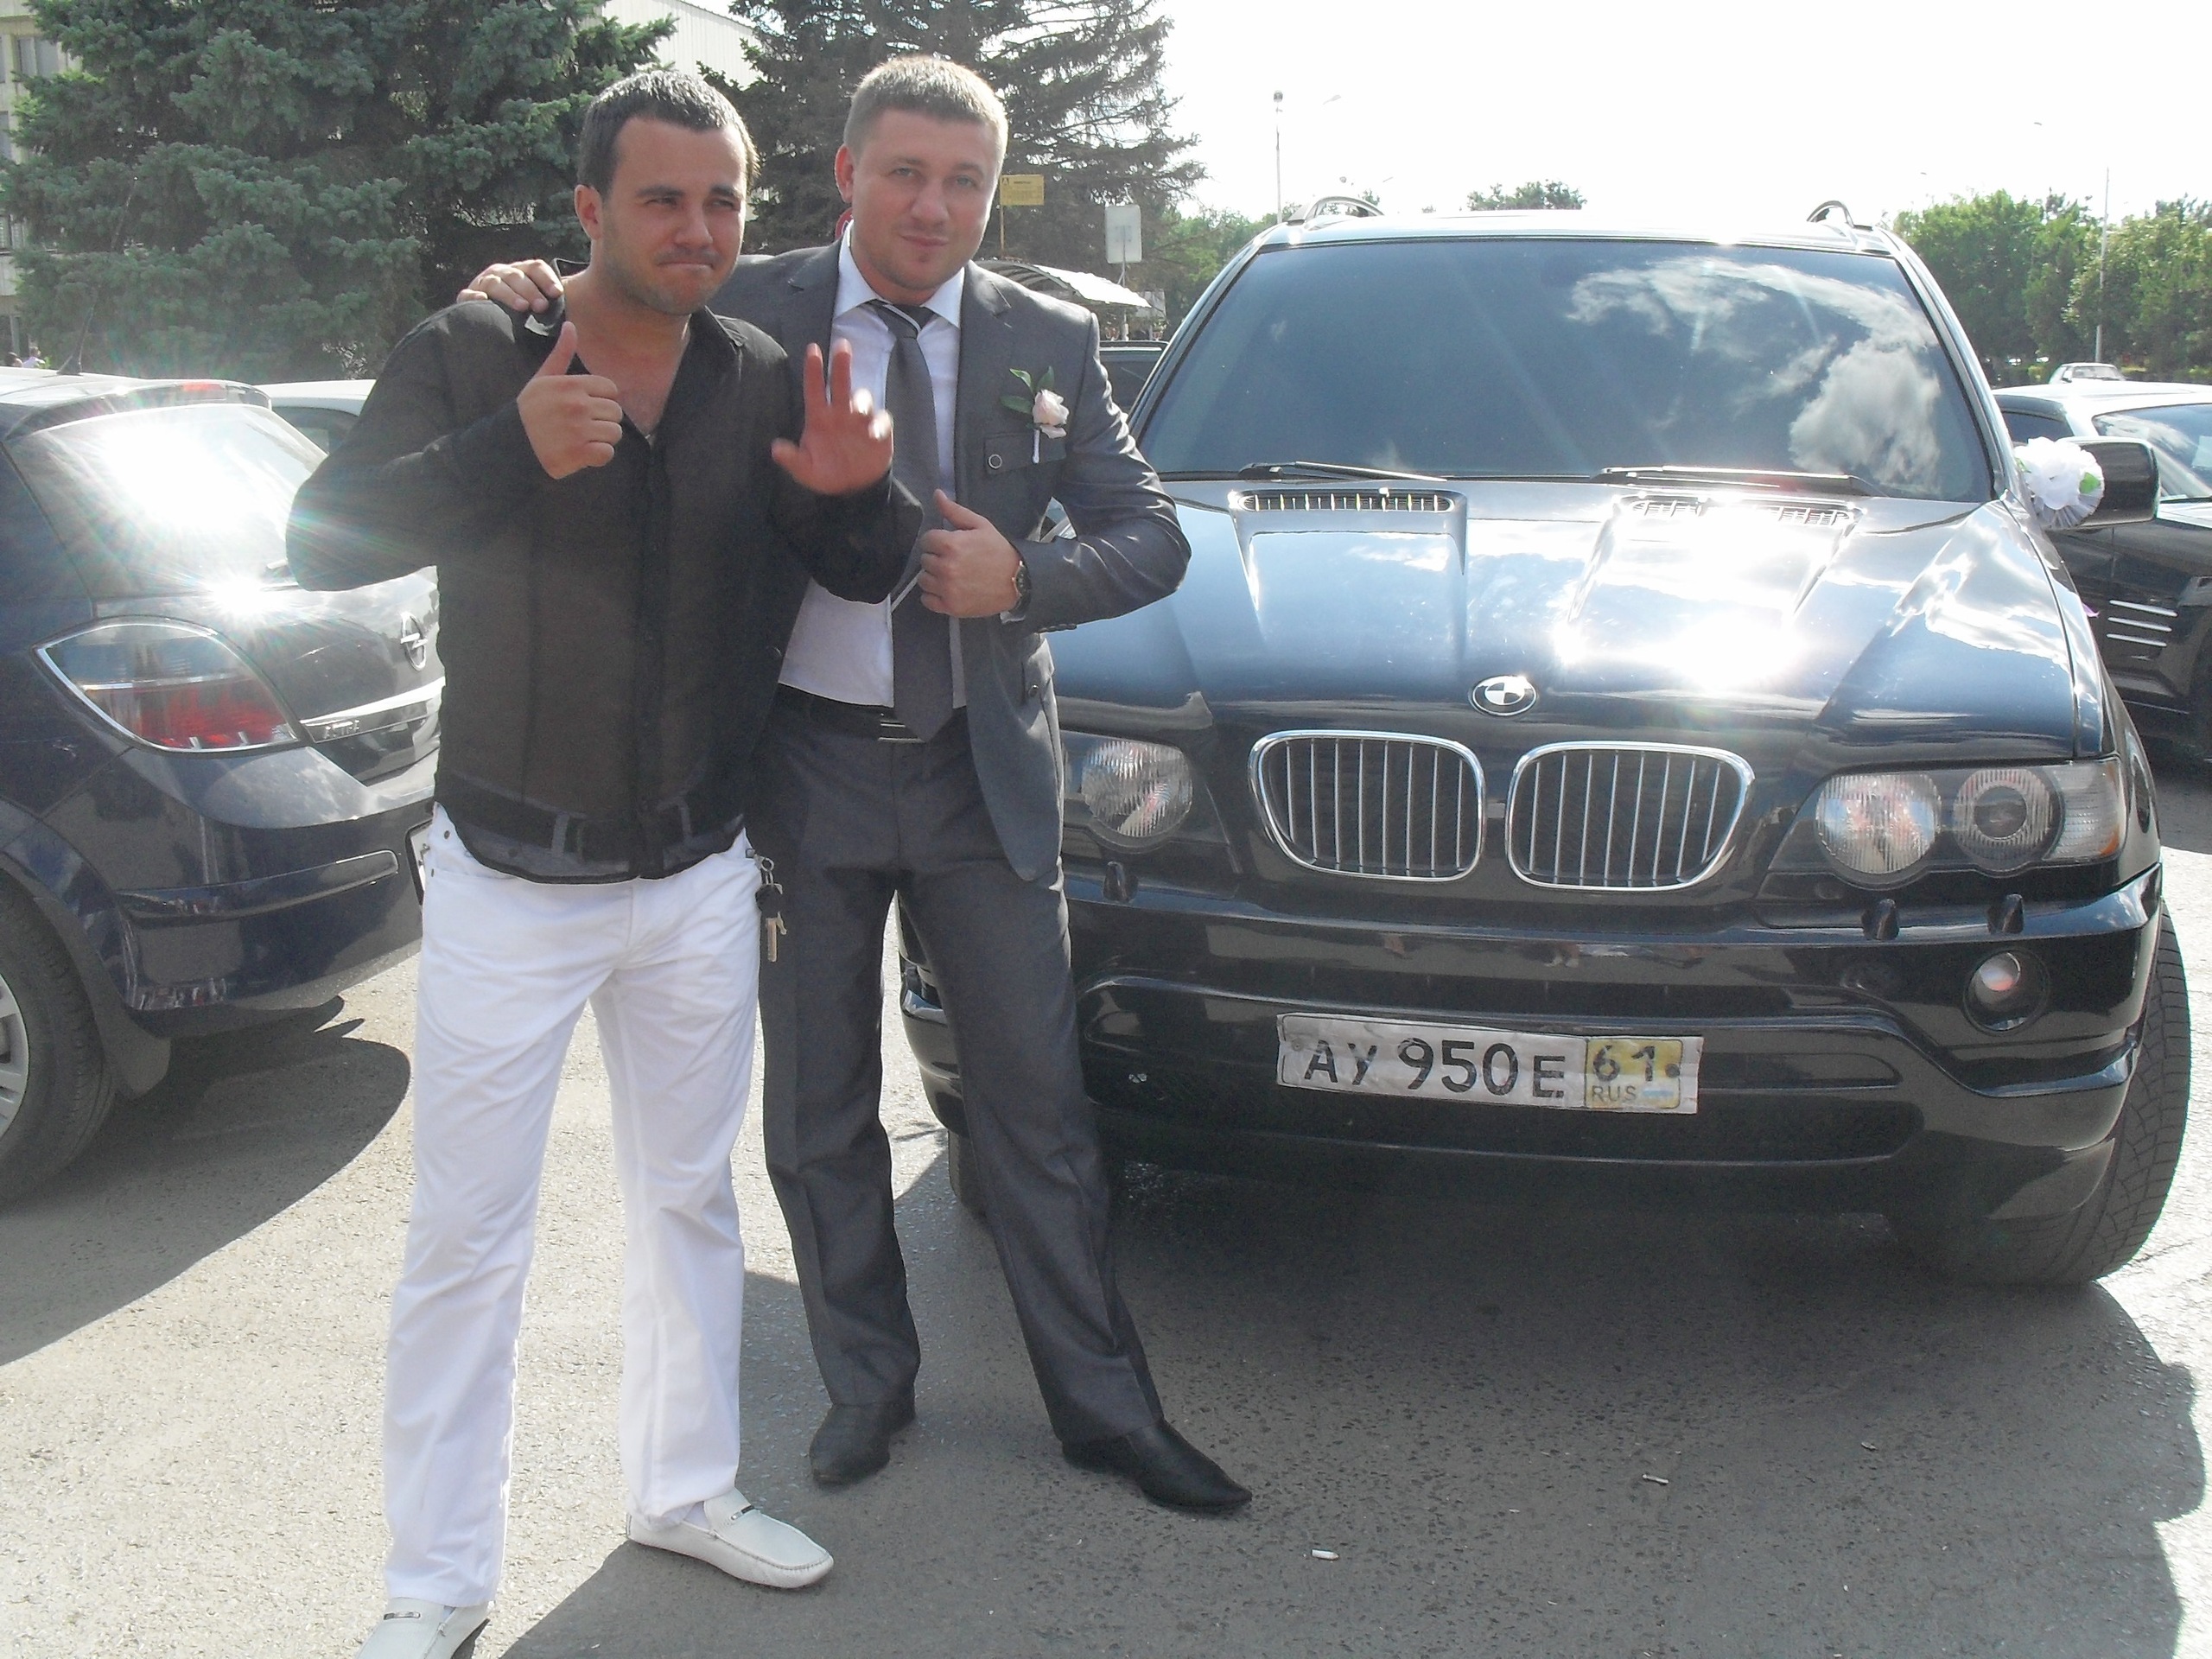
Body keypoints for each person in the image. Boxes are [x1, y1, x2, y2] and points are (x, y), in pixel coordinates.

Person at [461, 56, 1247, 1513]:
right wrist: (521, 290)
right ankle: (867, 1389)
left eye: (965, 181)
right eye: (905, 173)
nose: (933, 206)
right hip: (799, 770)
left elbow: (1153, 536)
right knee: (818, 1112)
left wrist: (1028, 580)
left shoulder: (1049, 336)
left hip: (977, 776)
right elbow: (610, 294)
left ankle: (1105, 1410)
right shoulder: (749, 303)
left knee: (1036, 1110)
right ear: (846, 174)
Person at [291, 70, 918, 1659]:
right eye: (663, 199)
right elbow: (321, 540)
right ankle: (437, 1583)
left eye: (722, 200)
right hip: (510, 876)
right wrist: (504, 449)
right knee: (467, 1239)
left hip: (696, 875)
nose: (699, 229)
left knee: (689, 1200)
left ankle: (682, 1489)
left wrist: (864, 499)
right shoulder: (476, 349)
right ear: (588, 209)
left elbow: (856, 566)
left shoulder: (758, 373)